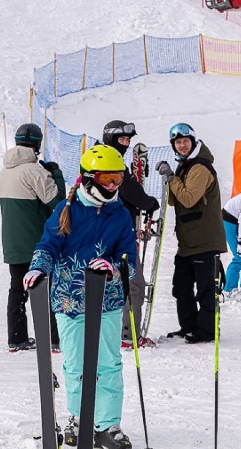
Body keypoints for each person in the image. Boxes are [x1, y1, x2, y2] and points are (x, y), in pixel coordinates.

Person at [24, 145, 138, 449]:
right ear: (88, 179)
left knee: (109, 363)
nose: (113, 186)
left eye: (117, 179)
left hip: (107, 300)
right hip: (70, 300)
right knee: (76, 364)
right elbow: (48, 245)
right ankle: (77, 418)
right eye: (106, 179)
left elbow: (131, 258)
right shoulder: (68, 209)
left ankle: (107, 424)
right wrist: (38, 267)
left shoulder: (121, 213)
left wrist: (114, 267)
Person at [0, 123, 65, 353]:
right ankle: (54, 339)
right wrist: (56, 174)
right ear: (37, 144)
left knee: (17, 289)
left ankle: (16, 338)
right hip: (37, 242)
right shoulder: (35, 171)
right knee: (48, 290)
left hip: (13, 244)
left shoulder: (4, 171)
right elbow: (58, 203)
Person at [155, 123, 226, 344]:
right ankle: (189, 326)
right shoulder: (186, 166)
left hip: (205, 240)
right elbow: (175, 200)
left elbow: (188, 198)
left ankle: (206, 331)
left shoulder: (200, 167)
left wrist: (172, 178)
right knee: (181, 286)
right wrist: (170, 178)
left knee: (205, 289)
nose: (182, 145)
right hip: (188, 241)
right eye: (178, 142)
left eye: (185, 141)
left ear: (193, 141)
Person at [101, 120, 160, 349]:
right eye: (121, 140)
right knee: (133, 282)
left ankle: (112, 330)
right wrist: (148, 203)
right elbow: (129, 190)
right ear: (111, 139)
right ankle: (128, 333)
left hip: (104, 232)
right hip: (119, 233)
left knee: (112, 282)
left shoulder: (97, 160)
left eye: (127, 140)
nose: (125, 144)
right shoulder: (112, 165)